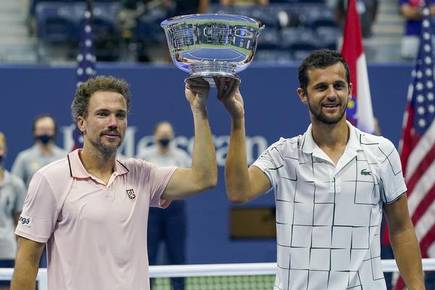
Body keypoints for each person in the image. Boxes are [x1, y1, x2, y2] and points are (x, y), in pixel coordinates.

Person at [220, 50, 425, 289]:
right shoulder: (282, 154)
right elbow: (237, 191)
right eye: (321, 87)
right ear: (303, 95)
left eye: (338, 86)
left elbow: (401, 229)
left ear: (349, 90)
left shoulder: (382, 151)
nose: (331, 94)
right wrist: (237, 119)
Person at [10, 75, 222, 290]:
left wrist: (199, 110)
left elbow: (203, 178)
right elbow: (27, 260)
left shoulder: (142, 174)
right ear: (81, 122)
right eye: (103, 114)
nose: (113, 123)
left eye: (120, 115)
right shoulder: (50, 179)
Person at [137, 121, 191, 290]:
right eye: (162, 133)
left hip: (175, 211)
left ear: (173, 136)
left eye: (168, 133)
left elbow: (188, 183)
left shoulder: (182, 157)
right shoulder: (145, 157)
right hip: (151, 212)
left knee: (177, 256)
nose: (165, 137)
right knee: (149, 256)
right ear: (155, 136)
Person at [11, 113, 67, 187]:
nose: (45, 132)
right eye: (41, 129)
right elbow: (14, 186)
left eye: (48, 129)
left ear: (54, 131)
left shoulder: (64, 157)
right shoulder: (24, 158)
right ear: (35, 132)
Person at [0, 132, 26, 290]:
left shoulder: (16, 184)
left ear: (5, 150)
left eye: (0, 148)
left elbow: (20, 222)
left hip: (8, 251)